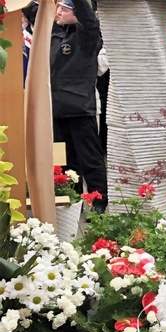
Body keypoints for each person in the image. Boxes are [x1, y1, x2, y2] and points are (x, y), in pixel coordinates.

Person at [51, 0, 107, 213]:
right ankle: (72, 203)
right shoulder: (55, 35)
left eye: (64, 9)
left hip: (80, 108)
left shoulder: (86, 38)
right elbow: (33, 10)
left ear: (77, 14)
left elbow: (89, 19)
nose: (58, 12)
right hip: (56, 109)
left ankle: (98, 203)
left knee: (90, 160)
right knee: (65, 162)